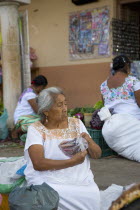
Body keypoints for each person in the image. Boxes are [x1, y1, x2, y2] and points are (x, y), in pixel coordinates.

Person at [24, 87, 101, 210]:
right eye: (60, 105)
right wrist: (72, 162)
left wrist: (90, 141)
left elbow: (97, 154)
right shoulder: (36, 129)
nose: (65, 109)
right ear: (46, 111)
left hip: (81, 179)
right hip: (48, 180)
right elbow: (38, 163)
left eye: (65, 104)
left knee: (93, 194)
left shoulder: (76, 123)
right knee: (50, 195)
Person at [99, 55, 140, 162]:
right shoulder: (133, 81)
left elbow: (105, 106)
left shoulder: (103, 85)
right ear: (127, 66)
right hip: (131, 125)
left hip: (110, 129)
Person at [12, 75, 48, 143]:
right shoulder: (30, 94)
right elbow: (37, 110)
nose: (42, 90)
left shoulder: (31, 91)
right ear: (40, 86)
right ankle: (15, 132)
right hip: (22, 118)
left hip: (29, 117)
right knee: (41, 121)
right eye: (43, 88)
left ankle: (22, 133)